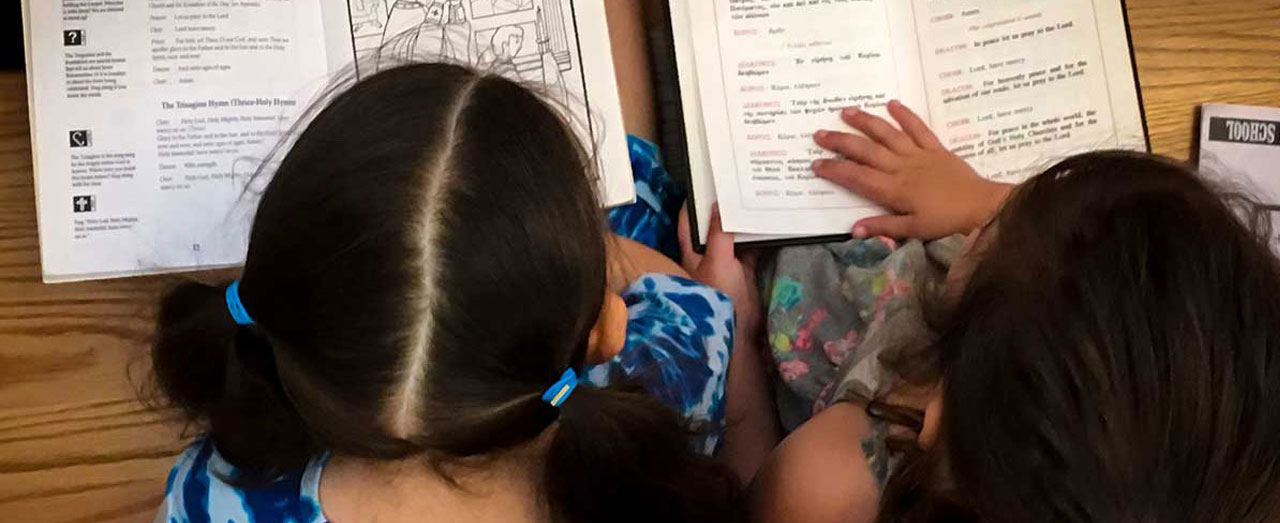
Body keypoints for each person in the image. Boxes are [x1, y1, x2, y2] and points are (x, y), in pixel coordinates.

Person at [147, 2, 779, 520]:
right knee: (631, 182)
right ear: (605, 330)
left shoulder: (209, 496)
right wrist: (732, 316)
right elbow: (693, 310)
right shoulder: (671, 365)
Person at [750, 101, 1280, 522]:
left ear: (934, 423)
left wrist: (733, 350)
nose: (1001, 212)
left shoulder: (824, 485)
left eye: (996, 230)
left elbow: (735, 484)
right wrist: (979, 196)